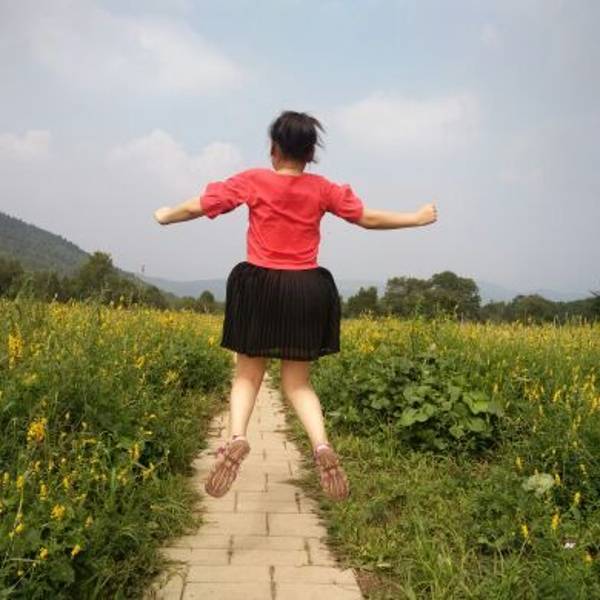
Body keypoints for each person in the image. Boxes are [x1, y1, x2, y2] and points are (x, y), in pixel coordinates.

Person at [153, 110, 438, 502]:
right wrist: (417, 218)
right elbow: (368, 219)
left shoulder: (253, 180)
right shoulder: (322, 189)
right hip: (306, 290)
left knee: (247, 376)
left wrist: (166, 215)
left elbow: (198, 206)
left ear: (274, 148)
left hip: (259, 287)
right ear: (310, 153)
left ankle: (237, 438)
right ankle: (321, 445)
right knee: (298, 384)